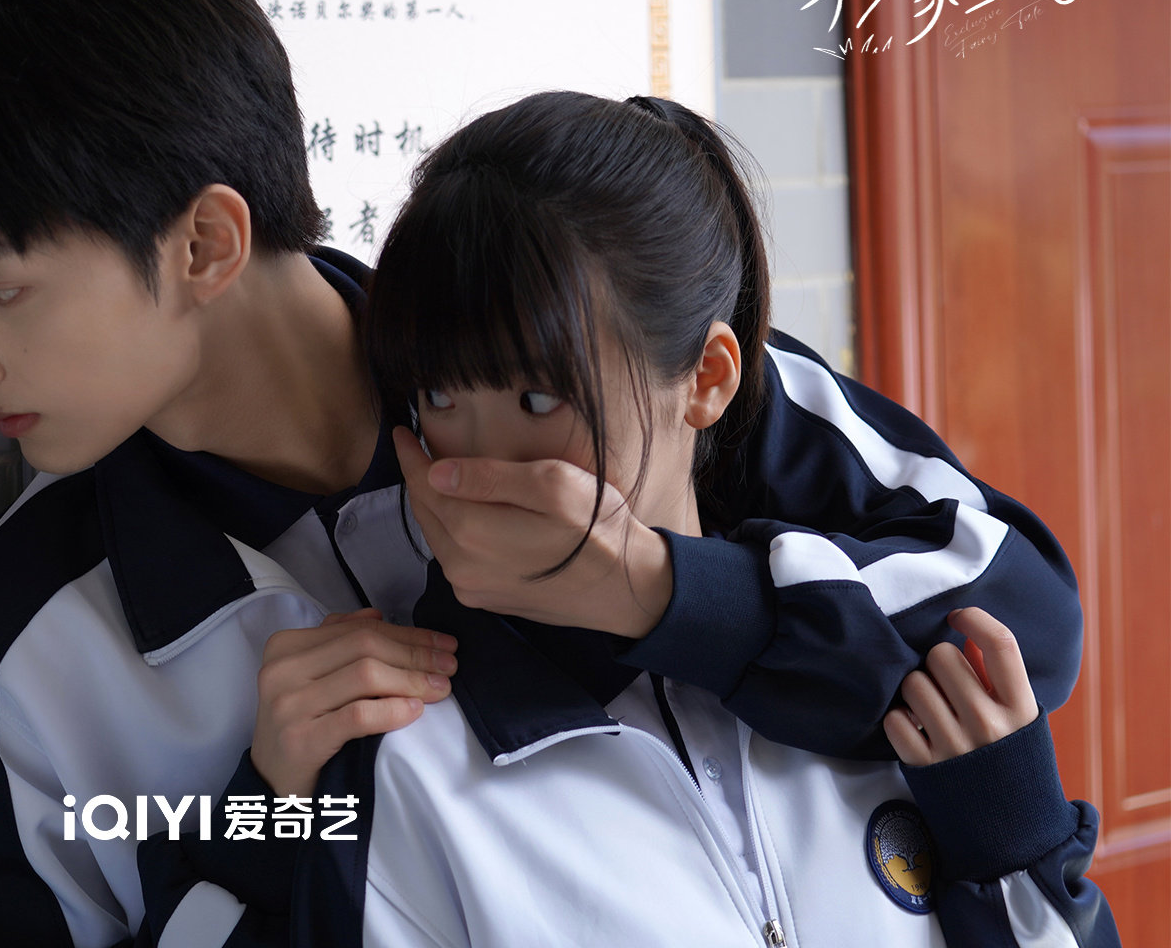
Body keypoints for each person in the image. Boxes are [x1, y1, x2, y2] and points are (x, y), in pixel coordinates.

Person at [0, 0, 1085, 945]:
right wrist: (265, 815)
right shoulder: (7, 651)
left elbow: (1025, 624)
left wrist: (666, 594)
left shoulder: (611, 369)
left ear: (205, 245)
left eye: (3, 290)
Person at [290, 90, 1116, 947]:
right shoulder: (406, 760)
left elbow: (1034, 612)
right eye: (439, 397)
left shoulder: (897, 680)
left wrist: (1017, 850)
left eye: (538, 400)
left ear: (710, 380)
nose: (479, 465)